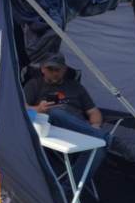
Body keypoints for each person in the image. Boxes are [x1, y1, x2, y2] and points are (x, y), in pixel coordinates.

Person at [24, 52, 112, 187]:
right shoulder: (34, 85)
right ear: (42, 69)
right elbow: (21, 107)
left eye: (57, 69)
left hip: (79, 128)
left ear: (64, 70)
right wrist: (38, 109)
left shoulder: (76, 87)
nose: (54, 73)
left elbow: (93, 111)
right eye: (50, 69)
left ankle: (68, 191)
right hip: (53, 129)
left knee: (98, 148)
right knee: (56, 112)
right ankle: (103, 137)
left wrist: (95, 125)